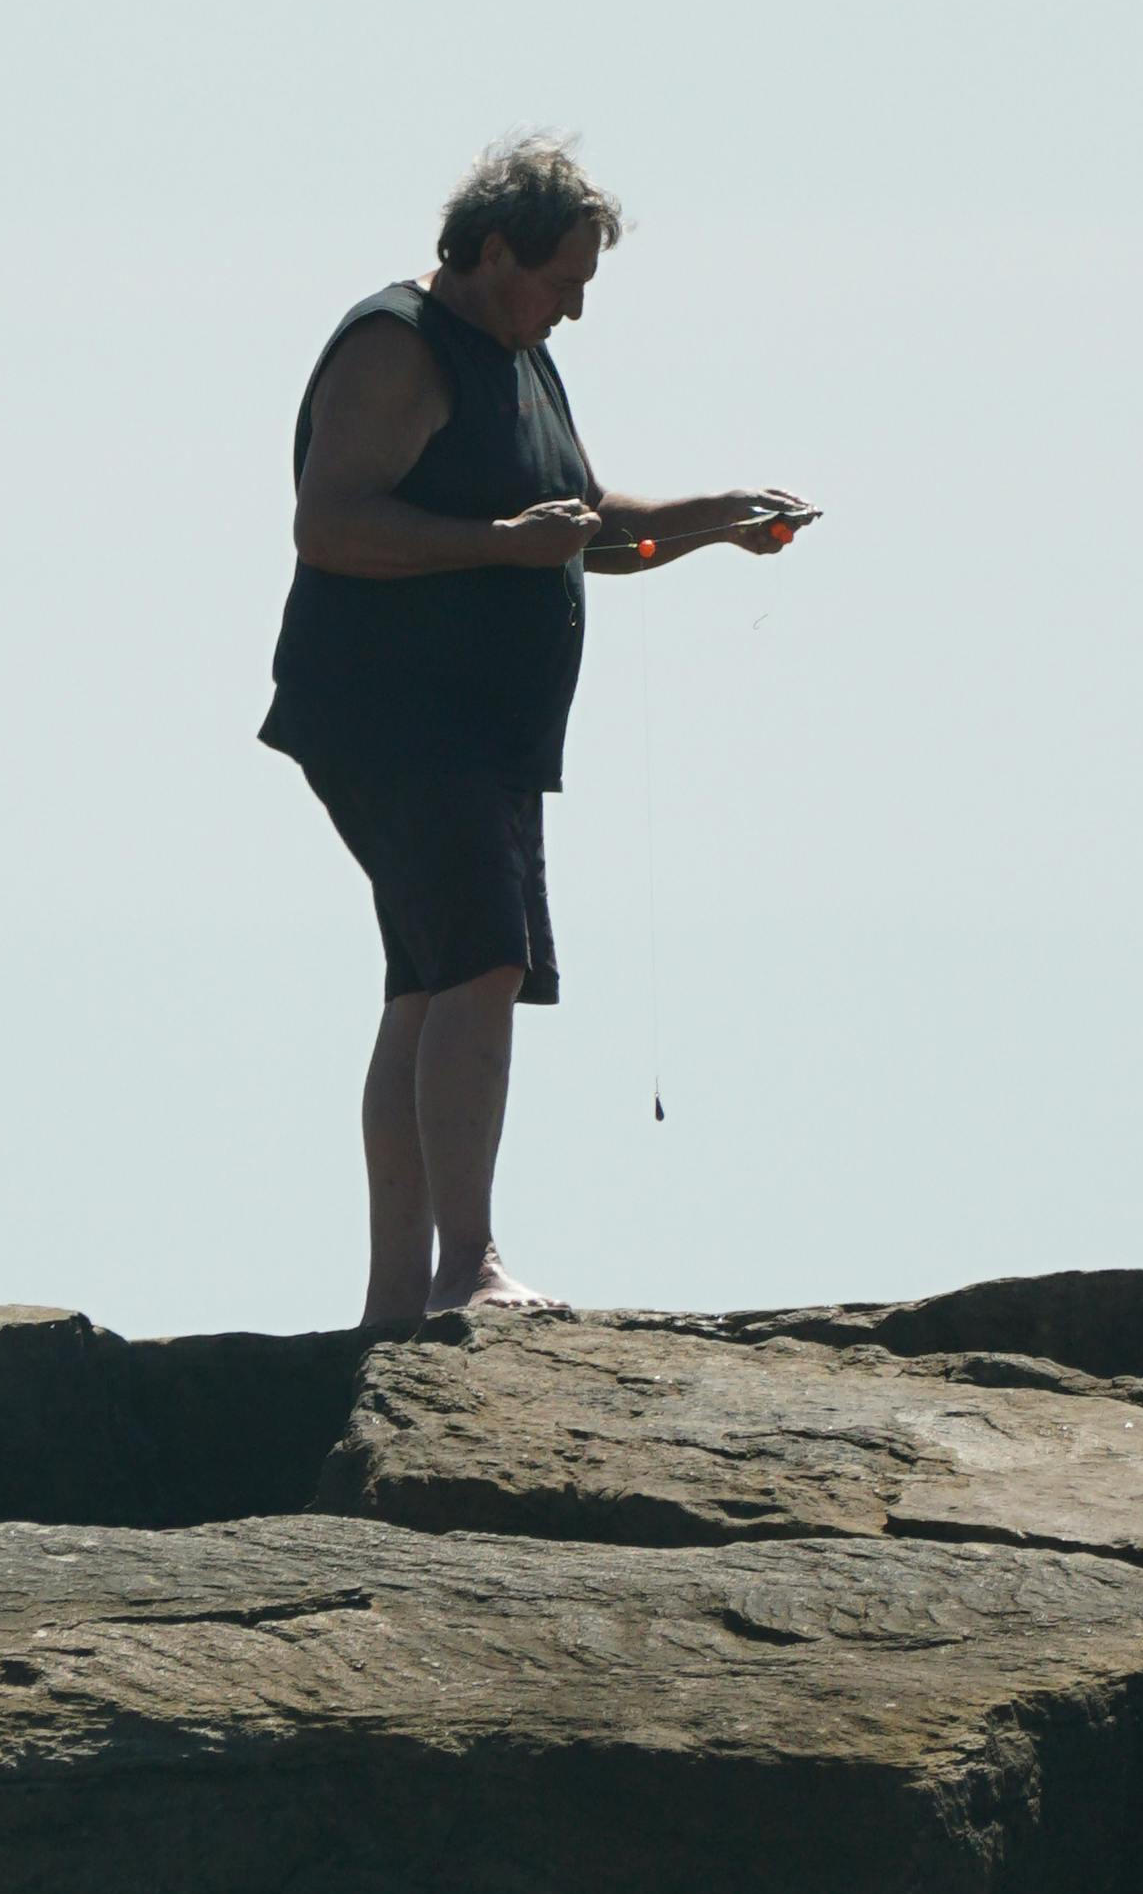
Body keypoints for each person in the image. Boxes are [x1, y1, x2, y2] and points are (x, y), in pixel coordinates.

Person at [263, 138, 811, 1325]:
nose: (572, 309)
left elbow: (584, 521)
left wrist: (721, 518)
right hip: (397, 714)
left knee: (431, 980)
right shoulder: (399, 344)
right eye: (562, 281)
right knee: (479, 965)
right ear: (494, 248)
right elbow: (332, 524)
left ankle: (397, 1302)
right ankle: (469, 1267)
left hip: (481, 730)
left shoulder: (520, 356)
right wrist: (499, 544)